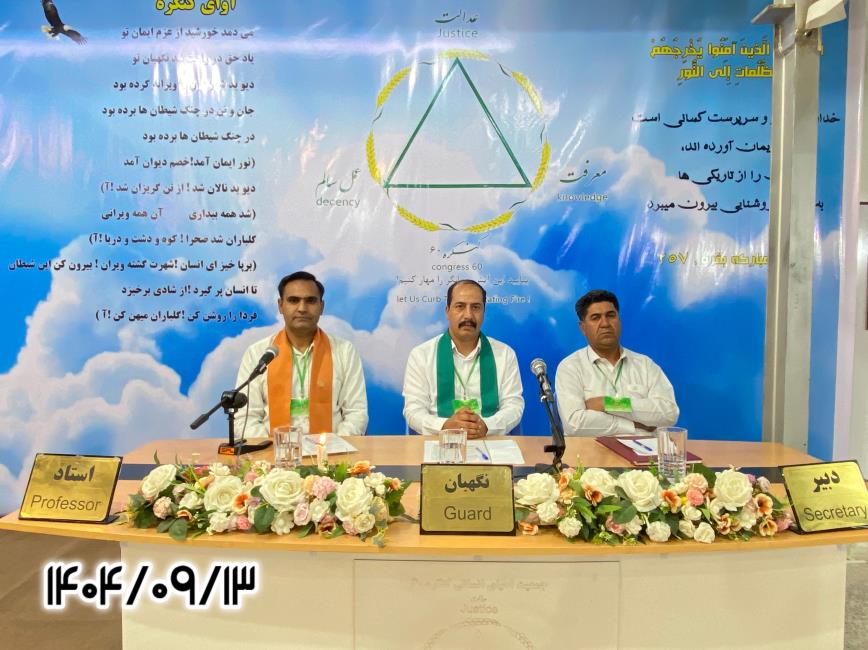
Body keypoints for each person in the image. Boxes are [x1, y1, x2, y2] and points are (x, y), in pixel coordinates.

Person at [235, 271, 368, 437]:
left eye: (310, 301)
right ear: (280, 305)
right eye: (293, 300)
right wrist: (274, 448)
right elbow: (245, 418)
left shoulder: (344, 351)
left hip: (331, 450)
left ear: (321, 306)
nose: (302, 308)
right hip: (273, 450)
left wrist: (334, 447)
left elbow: (356, 413)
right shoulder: (258, 354)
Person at [403, 280, 524, 438]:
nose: (468, 315)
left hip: (491, 441)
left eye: (475, 307)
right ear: (447, 311)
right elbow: (413, 410)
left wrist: (486, 426)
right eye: (460, 306)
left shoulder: (505, 354)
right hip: (438, 441)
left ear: (484, 312)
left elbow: (514, 406)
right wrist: (445, 425)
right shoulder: (421, 355)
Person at [555, 289, 678, 437]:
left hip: (645, 451)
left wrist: (607, 403)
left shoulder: (644, 365)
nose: (605, 323)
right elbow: (574, 424)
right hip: (590, 451)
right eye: (595, 318)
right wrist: (633, 425)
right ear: (583, 327)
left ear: (619, 320)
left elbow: (669, 413)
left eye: (610, 315)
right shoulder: (570, 367)